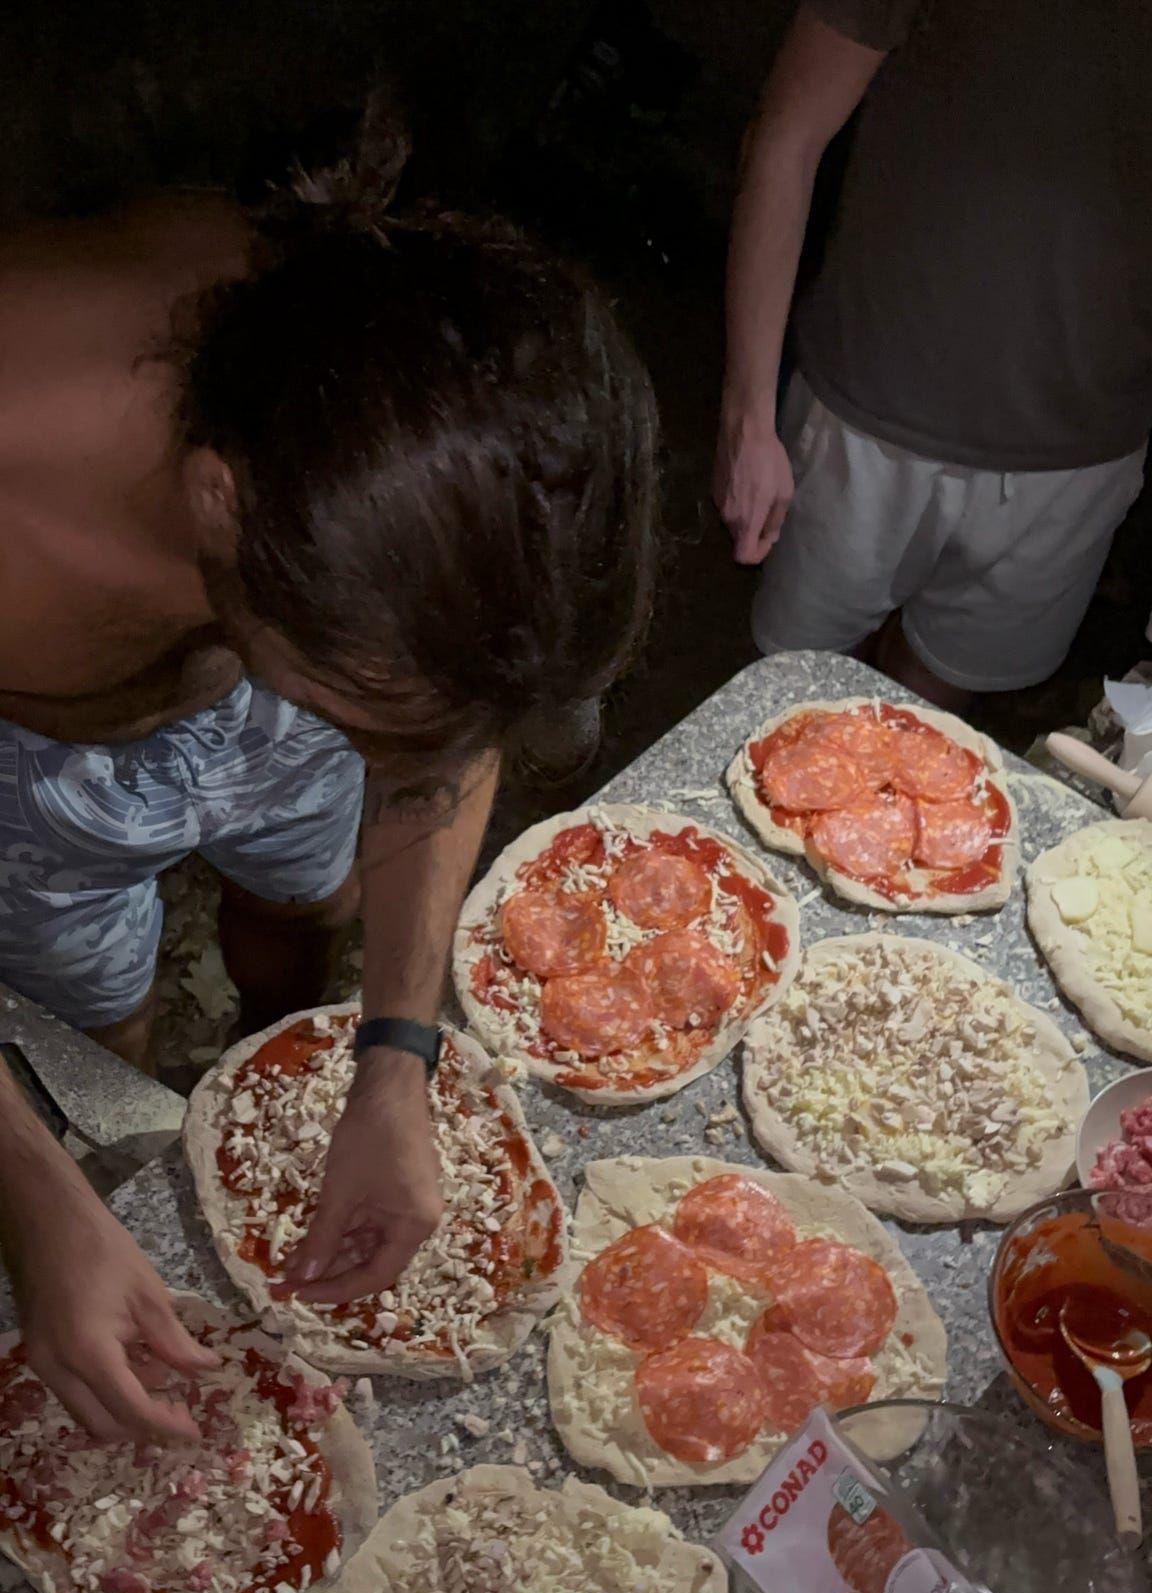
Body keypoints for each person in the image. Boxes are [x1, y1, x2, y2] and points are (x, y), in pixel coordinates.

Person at [0, 164, 658, 1443]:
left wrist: (395, 1059)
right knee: (87, 1025)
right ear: (220, 505)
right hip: (36, 762)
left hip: (285, 639)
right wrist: (30, 1193)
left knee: (306, 903)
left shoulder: (425, 426)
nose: (393, 768)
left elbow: (439, 747)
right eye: (365, 717)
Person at [714, 0, 1152, 711]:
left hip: (1084, 453)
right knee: (785, 705)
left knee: (921, 729)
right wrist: (747, 414)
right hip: (866, 412)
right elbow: (788, 136)